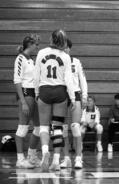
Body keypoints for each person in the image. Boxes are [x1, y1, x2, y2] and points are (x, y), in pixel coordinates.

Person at [34, 29, 75, 171]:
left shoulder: (41, 53)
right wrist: (73, 98)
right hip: (60, 92)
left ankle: (45, 151)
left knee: (44, 127)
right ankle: (56, 161)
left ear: (51, 38)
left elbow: (36, 75)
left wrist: (36, 92)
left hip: (44, 90)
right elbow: (69, 80)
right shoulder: (65, 56)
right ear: (64, 40)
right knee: (58, 127)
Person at [13, 34, 41, 168]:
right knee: (23, 127)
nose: (38, 47)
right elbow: (17, 81)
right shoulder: (20, 58)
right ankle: (20, 159)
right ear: (30, 44)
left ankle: (32, 155)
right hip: (25, 93)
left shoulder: (32, 59)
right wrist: (23, 101)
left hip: (34, 94)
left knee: (39, 127)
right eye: (36, 44)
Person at [60, 39, 88, 169]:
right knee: (63, 129)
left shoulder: (76, 62)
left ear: (70, 49)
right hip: (61, 95)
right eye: (62, 48)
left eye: (67, 48)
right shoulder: (57, 62)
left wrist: (85, 96)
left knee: (75, 127)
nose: (65, 50)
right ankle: (66, 159)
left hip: (76, 94)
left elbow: (82, 80)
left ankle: (78, 158)